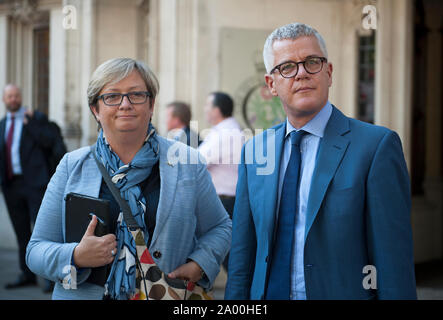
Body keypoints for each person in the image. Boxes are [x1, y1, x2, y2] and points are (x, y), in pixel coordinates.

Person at [225, 22, 416, 300]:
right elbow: (243, 254)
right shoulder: (255, 150)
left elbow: (393, 261)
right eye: (287, 67)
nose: (301, 73)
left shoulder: (376, 147)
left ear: (328, 72)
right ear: (271, 85)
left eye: (312, 62)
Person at [26, 57, 231, 300]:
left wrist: (200, 263)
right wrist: (76, 256)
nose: (125, 104)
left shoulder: (187, 163)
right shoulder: (72, 166)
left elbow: (220, 227)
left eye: (136, 95)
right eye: (112, 96)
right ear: (96, 109)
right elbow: (36, 250)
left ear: (151, 104)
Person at [0, 84, 63, 293]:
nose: (13, 99)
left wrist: (33, 120)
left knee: (42, 232)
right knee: (22, 233)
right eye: (9, 96)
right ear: (4, 99)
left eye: (16, 95)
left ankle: (48, 277)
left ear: (21, 97)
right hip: (11, 186)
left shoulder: (34, 120)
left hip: (35, 184)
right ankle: (26, 274)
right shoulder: (2, 125)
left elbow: (48, 141)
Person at [198, 92, 244, 271]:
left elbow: (196, 161)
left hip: (225, 203)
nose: (205, 110)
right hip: (225, 201)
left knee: (227, 255)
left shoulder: (226, 133)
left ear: (217, 110)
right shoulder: (226, 130)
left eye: (207, 106)